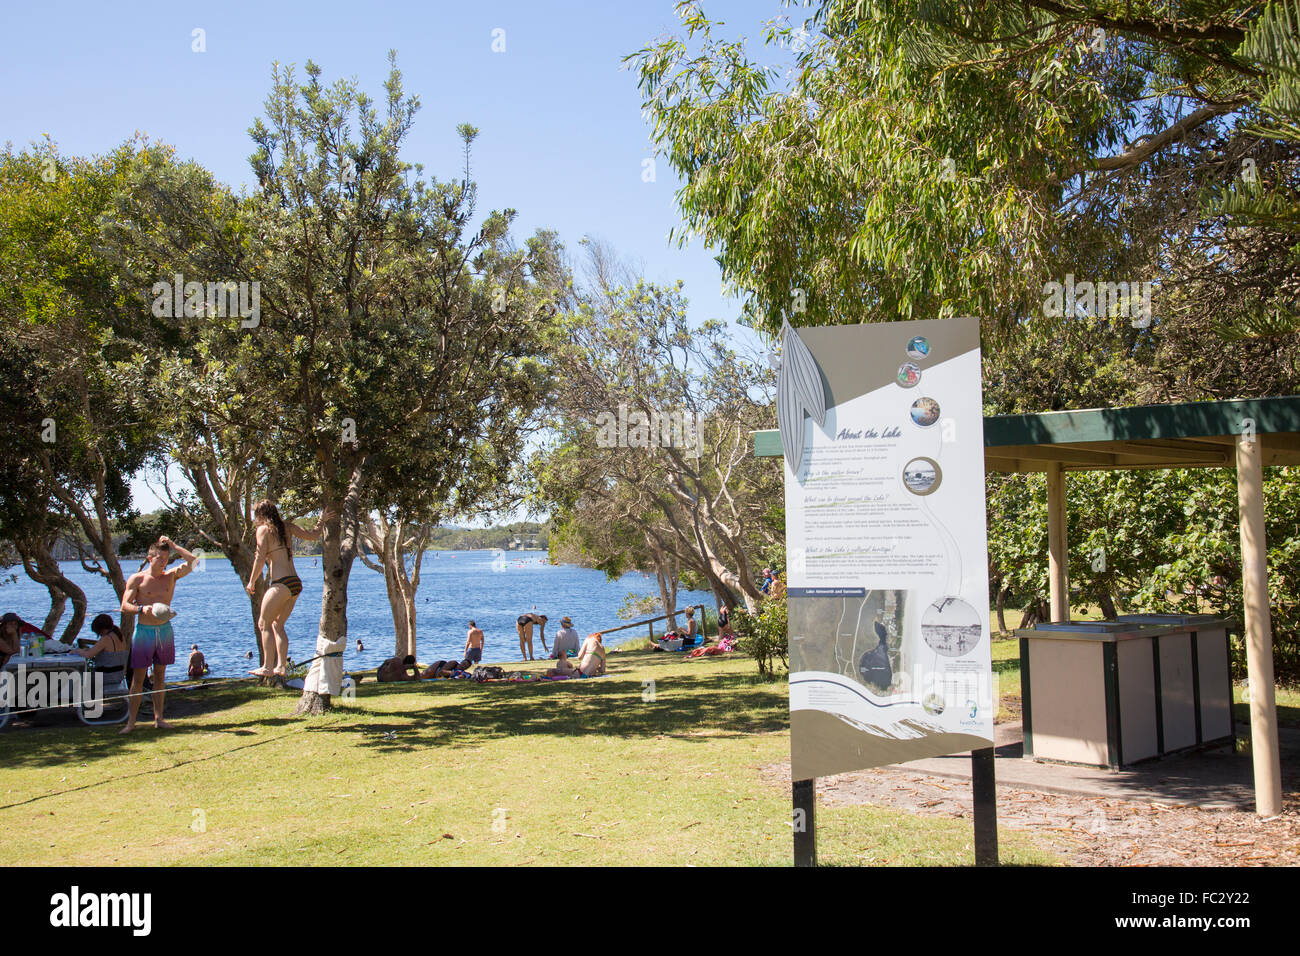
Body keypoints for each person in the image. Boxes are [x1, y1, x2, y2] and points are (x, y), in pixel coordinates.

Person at [119, 536, 198, 733]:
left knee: (160, 676)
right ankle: (131, 723)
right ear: (149, 558)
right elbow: (124, 605)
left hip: (164, 631)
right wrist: (140, 610)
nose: (163, 562)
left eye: (165, 558)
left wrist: (173, 545)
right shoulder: (137, 579)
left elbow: (194, 561)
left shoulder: (170, 576)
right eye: (159, 558)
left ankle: (159, 718)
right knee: (138, 679)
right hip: (144, 631)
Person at [246, 500, 325, 678]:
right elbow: (313, 535)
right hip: (295, 583)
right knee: (277, 624)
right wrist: (321, 520)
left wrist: (251, 582)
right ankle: (280, 666)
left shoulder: (263, 530)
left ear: (260, 514)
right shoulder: (286, 527)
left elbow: (259, 559)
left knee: (263, 623)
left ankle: (267, 666)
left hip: (280, 583)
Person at [73, 613, 129, 682]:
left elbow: (88, 655)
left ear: (101, 630)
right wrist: (87, 650)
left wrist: (77, 651)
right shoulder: (118, 634)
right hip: (119, 675)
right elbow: (106, 651)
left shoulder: (106, 638)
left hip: (107, 676)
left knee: (73, 676)